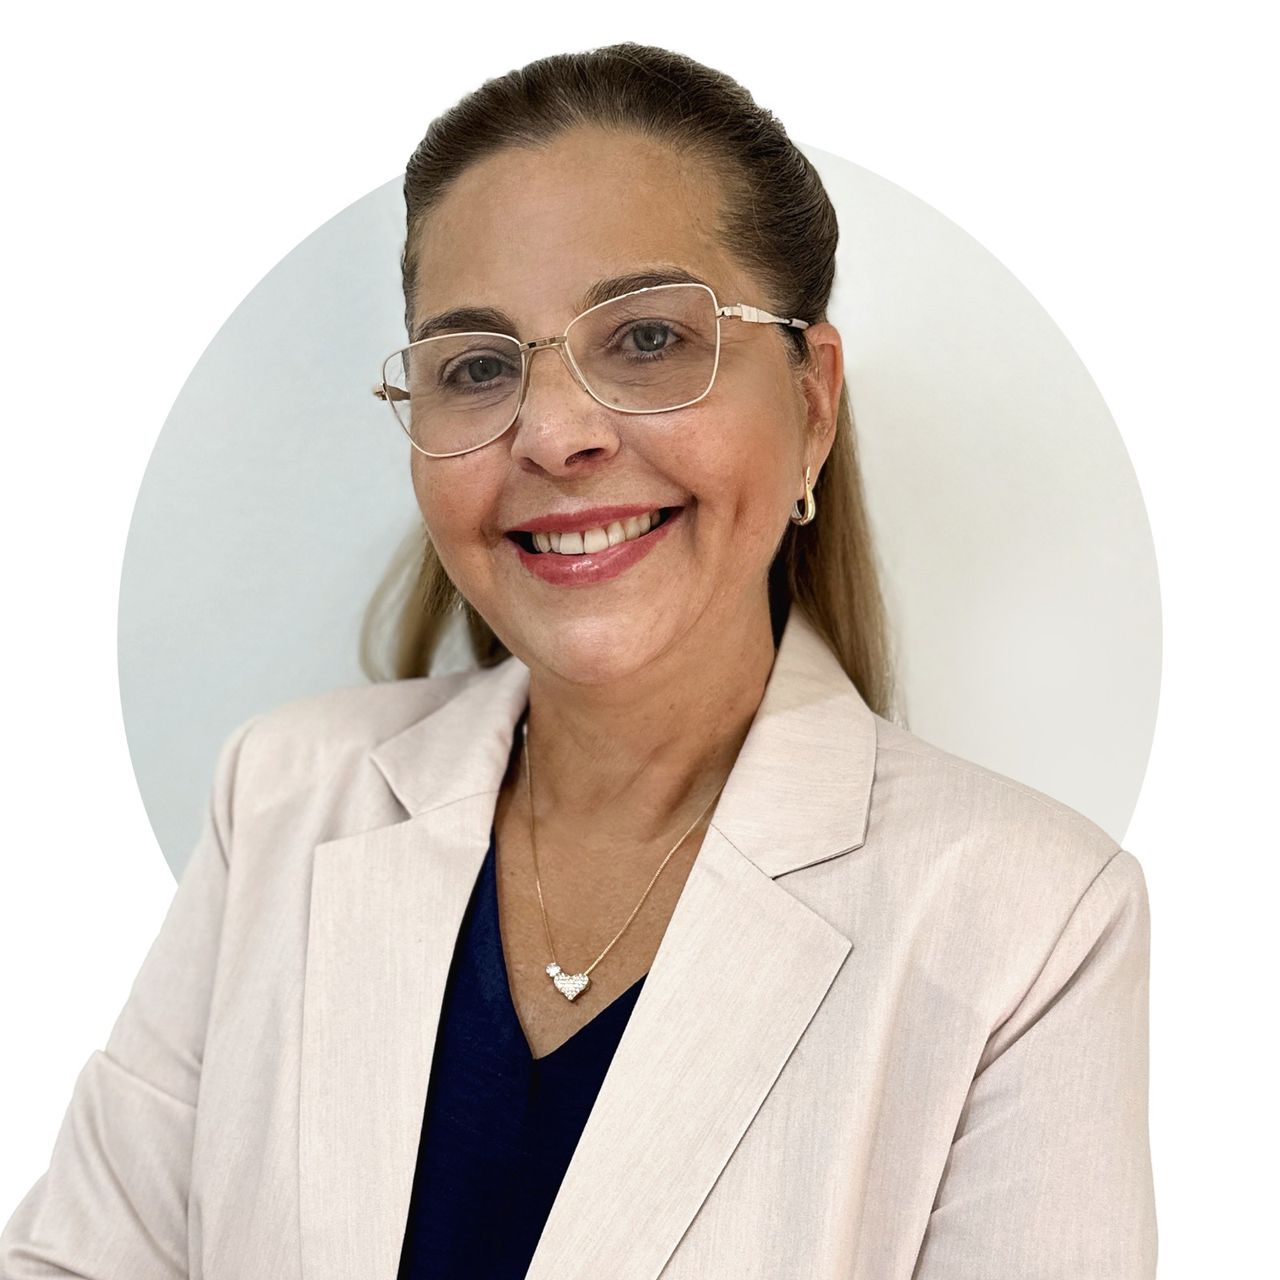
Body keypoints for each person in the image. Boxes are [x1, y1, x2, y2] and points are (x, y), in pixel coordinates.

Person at [0, 41, 1157, 1280]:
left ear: (811, 402)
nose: (552, 434)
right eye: (477, 366)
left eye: (648, 337)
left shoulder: (1030, 920)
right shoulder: (283, 794)